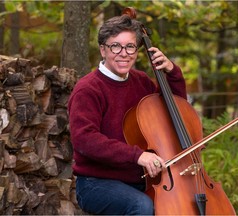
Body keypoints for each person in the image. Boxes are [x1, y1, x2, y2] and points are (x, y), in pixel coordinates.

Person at [68, 14, 187, 215]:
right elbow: (85, 139)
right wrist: (137, 155)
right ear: (103, 50)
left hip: (142, 179)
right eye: (116, 46)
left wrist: (172, 72)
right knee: (141, 206)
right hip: (96, 183)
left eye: (130, 47)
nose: (124, 53)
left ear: (137, 51)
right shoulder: (88, 89)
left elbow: (175, 112)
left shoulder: (141, 82)